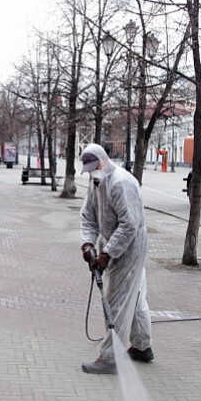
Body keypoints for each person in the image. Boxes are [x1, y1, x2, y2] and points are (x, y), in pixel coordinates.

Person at [78, 143, 154, 375]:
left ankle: (111, 358)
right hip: (112, 245)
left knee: (116, 301)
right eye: (89, 169)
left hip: (130, 247)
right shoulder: (96, 182)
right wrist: (88, 243)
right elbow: (88, 216)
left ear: (103, 160)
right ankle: (142, 346)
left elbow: (129, 225)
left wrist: (107, 254)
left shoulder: (121, 182)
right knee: (135, 296)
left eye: (95, 167)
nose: (92, 172)